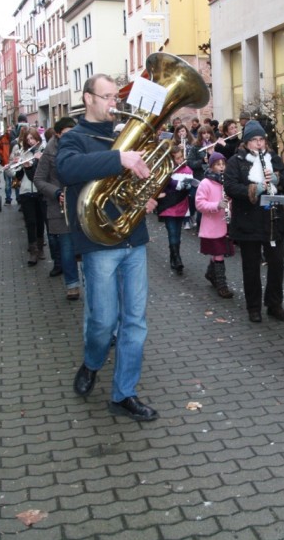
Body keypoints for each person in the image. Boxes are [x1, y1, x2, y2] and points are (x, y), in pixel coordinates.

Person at [56, 73, 159, 422]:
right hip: (99, 243)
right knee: (102, 321)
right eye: (108, 96)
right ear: (88, 98)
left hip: (133, 239)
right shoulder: (75, 138)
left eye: (117, 96)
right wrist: (120, 159)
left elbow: (136, 182)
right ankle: (92, 362)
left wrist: (145, 198)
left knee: (135, 322)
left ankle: (124, 393)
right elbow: (66, 170)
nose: (115, 103)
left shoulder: (124, 134)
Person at [224, 119, 284, 323]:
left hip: (273, 220)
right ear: (246, 142)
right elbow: (230, 187)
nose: (258, 143)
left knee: (277, 264)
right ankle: (253, 307)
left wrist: (278, 179)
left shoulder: (273, 158)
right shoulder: (236, 161)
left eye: (261, 139)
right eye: (254, 140)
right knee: (251, 267)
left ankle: (274, 304)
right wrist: (254, 189)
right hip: (248, 221)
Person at [34, 117, 81, 300]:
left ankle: (90, 283)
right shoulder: (49, 151)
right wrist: (56, 193)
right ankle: (72, 285)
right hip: (60, 208)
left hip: (81, 204)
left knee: (89, 249)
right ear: (58, 134)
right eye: (67, 133)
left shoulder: (81, 145)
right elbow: (39, 179)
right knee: (67, 249)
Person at [195, 152, 234, 298]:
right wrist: (216, 205)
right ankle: (222, 285)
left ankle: (211, 274)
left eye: (223, 164)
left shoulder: (227, 181)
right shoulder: (205, 183)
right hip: (213, 224)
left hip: (226, 223)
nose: (221, 167)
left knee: (219, 252)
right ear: (211, 166)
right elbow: (199, 204)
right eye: (218, 164)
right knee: (218, 253)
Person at [155, 145, 193, 275]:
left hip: (181, 204)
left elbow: (186, 187)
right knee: (172, 232)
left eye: (181, 157)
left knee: (177, 233)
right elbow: (160, 185)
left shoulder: (187, 170)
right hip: (168, 205)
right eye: (177, 158)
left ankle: (174, 256)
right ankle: (177, 259)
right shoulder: (164, 170)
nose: (180, 160)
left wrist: (174, 184)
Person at [14, 129, 47, 266]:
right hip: (26, 192)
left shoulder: (44, 151)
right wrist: (17, 166)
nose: (30, 142)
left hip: (40, 192)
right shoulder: (24, 153)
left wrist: (34, 164)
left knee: (40, 221)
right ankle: (33, 251)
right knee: (30, 222)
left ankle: (40, 248)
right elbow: (17, 176)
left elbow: (38, 177)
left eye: (32, 138)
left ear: (37, 138)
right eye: (28, 140)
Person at [0, 130, 13, 204]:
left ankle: (18, 199)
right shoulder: (3, 138)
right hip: (6, 162)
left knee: (16, 182)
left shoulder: (14, 138)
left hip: (14, 162)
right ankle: (8, 199)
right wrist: (2, 155)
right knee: (8, 183)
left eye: (10, 130)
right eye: (8, 130)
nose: (9, 131)